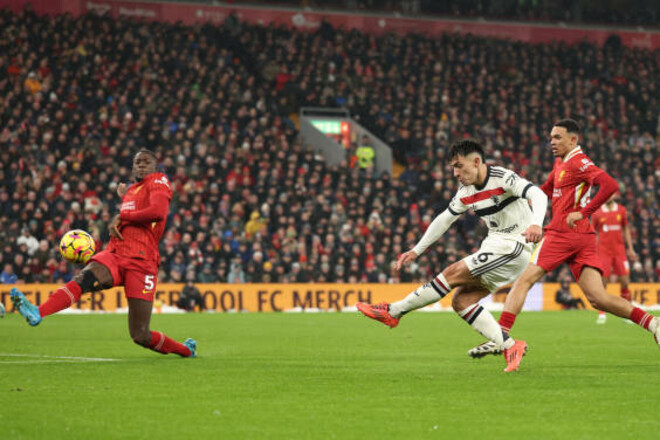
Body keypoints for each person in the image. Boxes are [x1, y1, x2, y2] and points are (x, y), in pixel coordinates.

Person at [468, 119, 660, 368]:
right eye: (551, 137)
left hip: (562, 233)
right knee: (598, 298)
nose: (552, 142)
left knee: (523, 280)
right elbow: (545, 190)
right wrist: (516, 198)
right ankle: (652, 323)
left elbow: (610, 184)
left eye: (558, 137)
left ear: (573, 140)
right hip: (582, 237)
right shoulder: (561, 163)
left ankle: (501, 336)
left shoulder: (579, 162)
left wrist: (584, 211)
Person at [356, 140, 548, 372]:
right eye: (453, 168)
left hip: (515, 245)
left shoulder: (503, 177)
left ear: (476, 162)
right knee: (461, 302)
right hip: (495, 245)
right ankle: (510, 346)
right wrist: (417, 249)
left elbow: (538, 194)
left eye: (459, 166)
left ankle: (394, 311)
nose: (456, 173)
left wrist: (536, 224)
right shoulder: (466, 192)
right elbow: (445, 219)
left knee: (451, 273)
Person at [11, 149, 197, 358]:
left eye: (146, 161)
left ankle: (185, 350)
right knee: (84, 278)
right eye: (137, 162)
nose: (142, 164)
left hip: (142, 261)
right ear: (132, 168)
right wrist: (125, 194)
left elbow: (158, 212)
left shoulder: (159, 181)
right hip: (116, 254)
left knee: (140, 334)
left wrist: (122, 214)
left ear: (155, 167)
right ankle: (38, 312)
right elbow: (135, 198)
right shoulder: (133, 190)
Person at [591, 193, 637, 324]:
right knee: (603, 283)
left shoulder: (621, 210)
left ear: (614, 196)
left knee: (625, 281)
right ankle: (601, 313)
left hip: (619, 252)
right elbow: (592, 232)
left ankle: (627, 313)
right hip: (603, 252)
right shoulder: (597, 213)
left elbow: (626, 229)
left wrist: (631, 248)